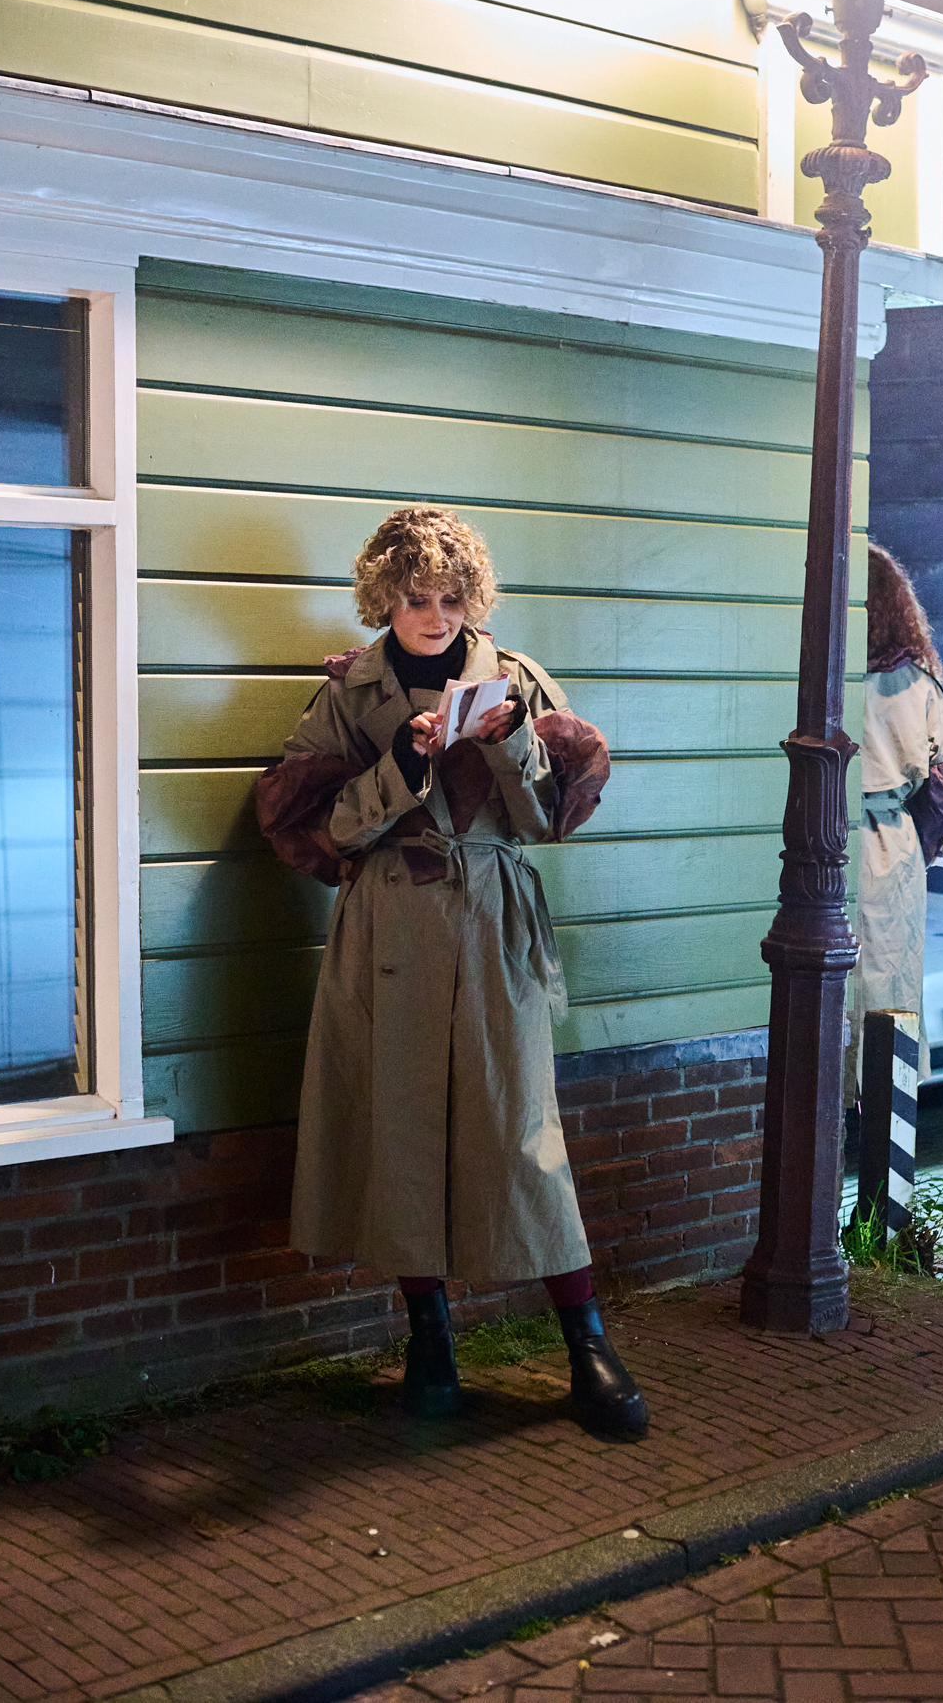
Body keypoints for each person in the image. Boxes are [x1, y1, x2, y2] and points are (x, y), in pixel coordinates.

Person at [256, 506, 648, 1436]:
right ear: (383, 601)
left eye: (450, 599)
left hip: (491, 921)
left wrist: (506, 742)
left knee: (519, 1126)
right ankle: (429, 1341)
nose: (435, 618)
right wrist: (401, 760)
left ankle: (585, 1341)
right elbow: (317, 828)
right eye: (416, 600)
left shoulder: (514, 678)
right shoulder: (348, 694)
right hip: (388, 922)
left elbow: (547, 819)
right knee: (399, 1126)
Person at [853, 543, 943, 1090]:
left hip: (826, 836)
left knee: (838, 981)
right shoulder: (917, 685)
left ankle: (837, 1098)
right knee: (890, 978)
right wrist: (927, 841)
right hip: (891, 844)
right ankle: (887, 1104)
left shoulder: (818, 678)